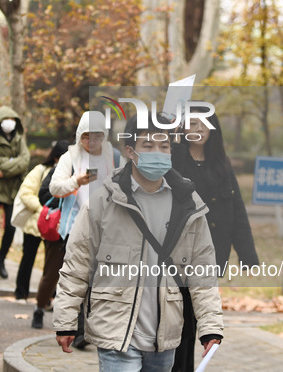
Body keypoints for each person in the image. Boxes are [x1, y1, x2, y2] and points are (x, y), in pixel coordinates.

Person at [53, 113, 224, 371]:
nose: (157, 152)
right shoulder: (103, 203)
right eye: (148, 145)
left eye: (164, 146)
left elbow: (203, 271)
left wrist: (210, 327)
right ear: (130, 151)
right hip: (116, 332)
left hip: (164, 338)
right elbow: (77, 265)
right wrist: (66, 320)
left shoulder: (188, 205)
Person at [171, 106, 258, 372]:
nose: (197, 130)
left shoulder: (221, 165)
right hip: (176, 252)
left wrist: (248, 255)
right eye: (191, 124)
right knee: (177, 317)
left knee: (193, 318)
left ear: (212, 130)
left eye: (202, 125)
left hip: (211, 254)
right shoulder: (174, 160)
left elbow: (237, 211)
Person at [49, 111, 122, 348]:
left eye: (98, 137)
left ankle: (92, 328)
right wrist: (76, 182)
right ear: (80, 135)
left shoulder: (115, 157)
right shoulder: (70, 157)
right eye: (88, 137)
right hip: (76, 227)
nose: (93, 142)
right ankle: (79, 330)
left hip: (109, 229)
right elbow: (54, 188)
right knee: (79, 278)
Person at [13, 140, 69, 303]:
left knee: (51, 264)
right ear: (56, 157)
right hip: (35, 223)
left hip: (54, 226)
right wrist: (41, 210)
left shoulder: (69, 174)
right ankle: (20, 293)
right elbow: (26, 192)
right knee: (28, 258)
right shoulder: (41, 171)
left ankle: (49, 297)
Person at [0, 106, 30, 279]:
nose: (9, 122)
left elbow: (24, 161)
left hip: (11, 191)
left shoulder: (19, 140)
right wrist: (11, 162)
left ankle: (0, 260)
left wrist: (4, 168)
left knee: (10, 228)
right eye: (6, 118)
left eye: (13, 118)